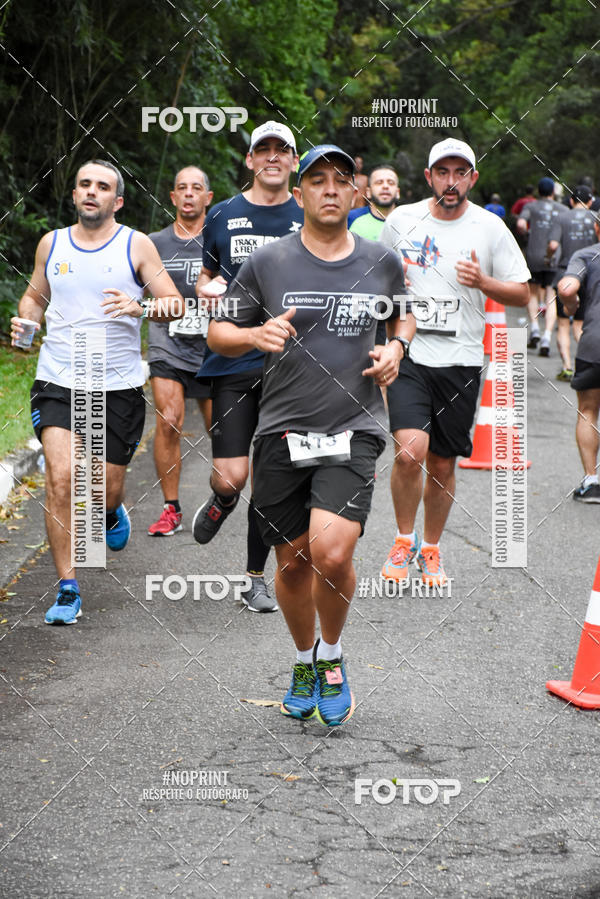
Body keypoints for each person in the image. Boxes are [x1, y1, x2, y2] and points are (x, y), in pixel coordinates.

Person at [207, 144, 414, 726]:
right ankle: (304, 660)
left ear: (355, 193)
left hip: (355, 427)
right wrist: (252, 338)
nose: (329, 188)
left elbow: (404, 313)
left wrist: (396, 346)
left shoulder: (382, 260)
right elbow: (218, 331)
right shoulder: (268, 262)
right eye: (316, 180)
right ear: (298, 195)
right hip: (281, 430)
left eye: (339, 180)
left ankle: (332, 656)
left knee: (331, 550)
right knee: (294, 563)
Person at [11, 160, 182, 624]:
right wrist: (27, 318)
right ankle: (69, 587)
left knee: (103, 488)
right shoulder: (53, 243)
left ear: (117, 201)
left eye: (102, 186)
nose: (92, 191)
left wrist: (140, 305)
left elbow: (175, 304)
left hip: (118, 385)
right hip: (59, 378)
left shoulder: (135, 245)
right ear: (74, 195)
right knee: (62, 479)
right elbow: (35, 295)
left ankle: (109, 513)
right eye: (84, 184)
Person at [379, 138, 530, 586]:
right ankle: (403, 540)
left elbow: (522, 292)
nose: (450, 181)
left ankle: (431, 548)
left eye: (459, 172)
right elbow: (374, 279)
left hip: (462, 359)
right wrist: (391, 283)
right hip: (410, 351)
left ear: (472, 178)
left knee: (443, 463)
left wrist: (484, 281)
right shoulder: (403, 220)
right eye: (442, 172)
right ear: (428, 177)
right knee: (410, 452)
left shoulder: (489, 228)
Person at [192, 121, 303, 613]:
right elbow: (206, 275)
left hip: (292, 364)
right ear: (251, 160)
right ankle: (223, 500)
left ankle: (255, 577)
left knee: (271, 479)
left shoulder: (309, 217)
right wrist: (204, 289)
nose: (274, 157)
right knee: (232, 476)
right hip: (234, 354)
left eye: (284, 150)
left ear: (294, 162)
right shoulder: (222, 215)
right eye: (265, 150)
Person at [146, 166, 213, 536]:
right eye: (182, 188)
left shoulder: (220, 240)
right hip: (167, 341)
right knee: (169, 419)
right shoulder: (153, 243)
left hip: (212, 345)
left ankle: (223, 494)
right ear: (172, 197)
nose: (189, 194)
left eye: (196, 188)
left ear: (208, 198)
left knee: (220, 428)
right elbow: (137, 293)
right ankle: (170, 508)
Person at [557, 222, 600, 502]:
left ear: (597, 227)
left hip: (594, 344)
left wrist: (570, 306)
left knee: (588, 410)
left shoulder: (586, 256)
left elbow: (567, 288)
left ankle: (592, 481)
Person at [547, 184, 597, 381]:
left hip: (566, 274)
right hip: (591, 276)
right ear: (590, 201)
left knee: (563, 324)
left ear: (571, 201)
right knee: (581, 324)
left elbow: (552, 245)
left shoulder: (562, 217)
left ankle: (567, 367)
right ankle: (586, 365)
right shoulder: (595, 218)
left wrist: (547, 257)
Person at [517, 177, 563, 355]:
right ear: (552, 192)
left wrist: (527, 234)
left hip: (534, 254)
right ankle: (547, 336)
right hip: (554, 257)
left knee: (533, 292)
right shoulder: (562, 209)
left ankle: (534, 327)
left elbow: (521, 223)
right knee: (551, 295)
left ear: (539, 191)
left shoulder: (531, 206)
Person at [349, 165, 400, 240]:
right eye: (379, 182)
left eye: (391, 183)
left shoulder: (408, 222)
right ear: (368, 192)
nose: (385, 186)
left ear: (398, 192)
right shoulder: (350, 219)